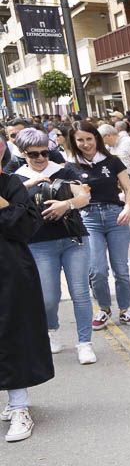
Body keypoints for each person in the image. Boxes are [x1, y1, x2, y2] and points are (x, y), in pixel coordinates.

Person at [11, 128, 95, 365]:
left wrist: (66, 204)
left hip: (73, 239)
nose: (40, 158)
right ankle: (52, 330)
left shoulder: (63, 169)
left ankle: (84, 343)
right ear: (23, 154)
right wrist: (29, 184)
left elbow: (84, 196)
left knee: (80, 292)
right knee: (48, 297)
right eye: (33, 154)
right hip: (38, 243)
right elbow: (7, 201)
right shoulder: (15, 176)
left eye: (44, 153)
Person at [69, 121, 130, 330]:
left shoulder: (113, 161)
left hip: (116, 217)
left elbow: (128, 189)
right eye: (80, 140)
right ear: (74, 142)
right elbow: (72, 195)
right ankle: (104, 308)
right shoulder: (71, 166)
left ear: (97, 139)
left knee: (121, 269)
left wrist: (128, 207)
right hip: (89, 219)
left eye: (89, 139)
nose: (85, 144)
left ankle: (125, 310)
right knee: (97, 270)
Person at [0, 166, 54, 442]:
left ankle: (19, 405)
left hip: (8, 271)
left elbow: (21, 225)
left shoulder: (10, 184)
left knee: (11, 335)